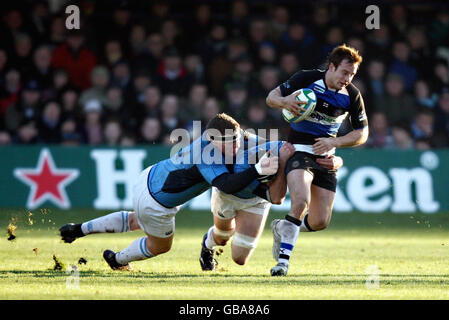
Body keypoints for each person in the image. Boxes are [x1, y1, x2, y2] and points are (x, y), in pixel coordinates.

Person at [59, 113, 279, 270]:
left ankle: (78, 229)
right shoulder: (205, 153)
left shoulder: (222, 136)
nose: (235, 147)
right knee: (160, 246)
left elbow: (253, 141)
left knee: (136, 220)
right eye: (229, 143)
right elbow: (226, 185)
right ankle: (117, 259)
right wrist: (259, 169)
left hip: (148, 177)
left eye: (237, 140)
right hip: (157, 204)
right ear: (212, 140)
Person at [265, 44, 369, 276]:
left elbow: (362, 133)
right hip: (299, 150)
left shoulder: (352, 95)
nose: (348, 78)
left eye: (352, 74)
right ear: (331, 67)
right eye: (344, 72)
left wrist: (335, 143)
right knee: (300, 201)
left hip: (325, 157)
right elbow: (271, 97)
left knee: (320, 221)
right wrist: (285, 102)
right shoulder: (307, 78)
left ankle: (284, 227)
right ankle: (283, 263)